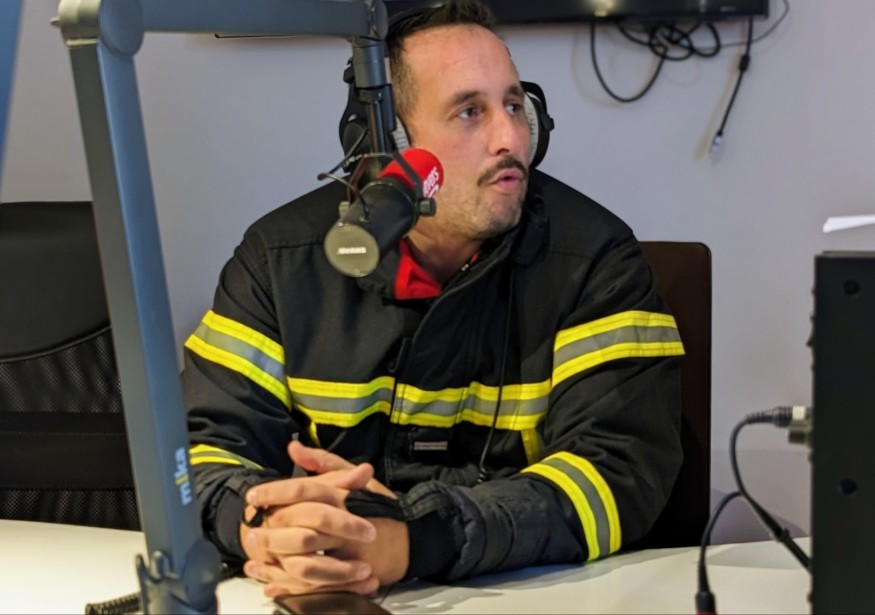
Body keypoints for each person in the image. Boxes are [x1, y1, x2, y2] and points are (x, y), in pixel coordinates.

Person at [182, 0, 684, 599]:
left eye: (516, 106)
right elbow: (200, 452)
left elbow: (618, 474)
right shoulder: (278, 260)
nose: (510, 138)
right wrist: (265, 527)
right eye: (470, 112)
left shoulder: (596, 262)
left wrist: (413, 539)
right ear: (384, 142)